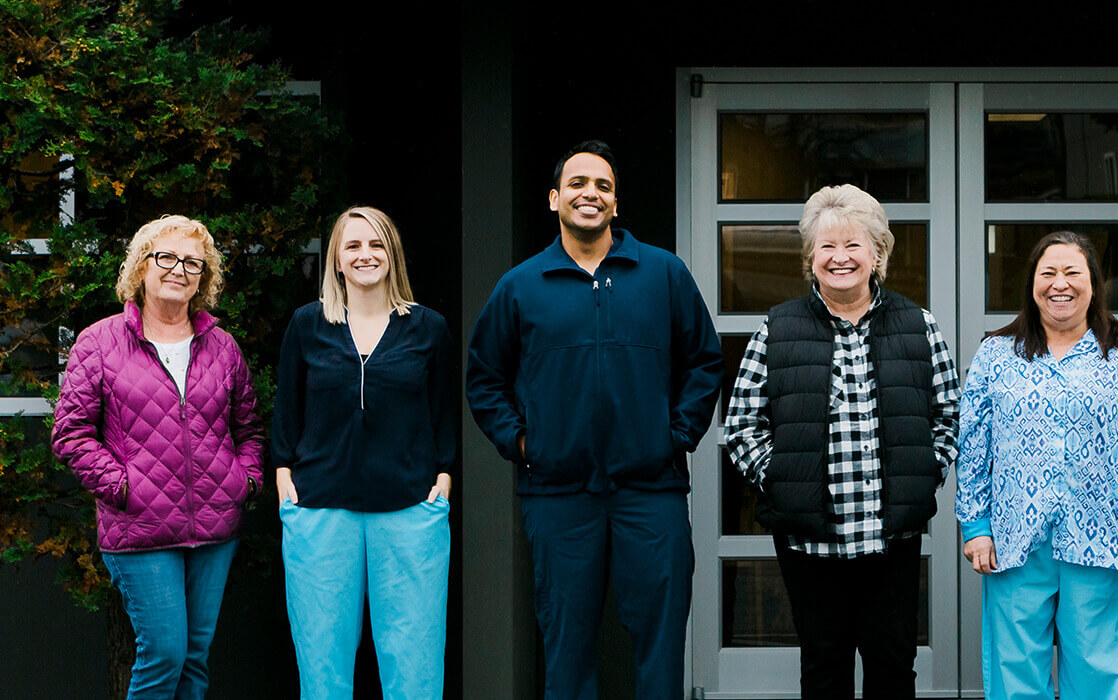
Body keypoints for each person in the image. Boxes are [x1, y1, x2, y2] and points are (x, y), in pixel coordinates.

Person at [466, 140, 724, 700]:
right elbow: (483, 377)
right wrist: (522, 441)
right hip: (557, 494)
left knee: (658, 647)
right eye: (578, 184)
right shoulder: (520, 286)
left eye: (603, 186)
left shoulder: (663, 274)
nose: (591, 194)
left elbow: (703, 361)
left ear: (615, 203)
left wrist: (675, 435)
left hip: (651, 491)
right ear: (554, 199)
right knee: (566, 647)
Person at [723, 184, 961, 699]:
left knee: (893, 668)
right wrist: (784, 479)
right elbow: (741, 424)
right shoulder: (777, 328)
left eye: (854, 245)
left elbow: (949, 416)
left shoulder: (919, 326)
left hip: (891, 537)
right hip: (809, 540)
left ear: (878, 254)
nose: (840, 258)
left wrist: (926, 473)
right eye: (827, 247)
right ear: (811, 258)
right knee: (824, 670)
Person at [958, 231, 1118, 700]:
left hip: (1102, 535)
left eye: (1072, 272)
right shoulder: (997, 354)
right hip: (1015, 538)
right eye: (1048, 273)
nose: (1060, 284)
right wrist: (975, 525)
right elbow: (974, 445)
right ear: (1032, 284)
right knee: (1015, 671)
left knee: (1097, 672)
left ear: (1093, 284)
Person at [53, 215, 265, 700]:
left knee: (194, 658)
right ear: (141, 267)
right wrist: (123, 485)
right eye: (166, 257)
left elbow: (249, 428)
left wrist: (244, 480)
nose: (179, 269)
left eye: (193, 262)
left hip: (215, 525)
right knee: (164, 652)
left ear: (203, 278)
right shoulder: (100, 341)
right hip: (140, 527)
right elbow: (70, 433)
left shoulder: (223, 347)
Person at [272, 206, 456, 699]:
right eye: (352, 245)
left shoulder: (428, 328)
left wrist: (443, 477)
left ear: (392, 255)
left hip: (410, 510)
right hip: (320, 510)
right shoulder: (307, 325)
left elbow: (443, 414)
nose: (365, 254)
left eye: (376, 244)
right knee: (322, 664)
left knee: (414, 664)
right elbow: (286, 410)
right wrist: (285, 476)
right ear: (336, 260)